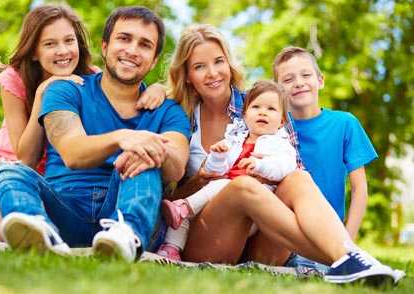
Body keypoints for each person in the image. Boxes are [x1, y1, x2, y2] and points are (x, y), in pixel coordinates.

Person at [166, 23, 403, 284]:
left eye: (219, 61)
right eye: (199, 66)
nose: (213, 73)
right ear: (187, 74)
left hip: (262, 244)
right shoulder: (180, 116)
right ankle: (346, 259)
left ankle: (349, 257)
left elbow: (292, 169)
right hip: (209, 238)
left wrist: (264, 171)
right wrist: (202, 178)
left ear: (229, 64)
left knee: (298, 177)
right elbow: (168, 198)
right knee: (243, 186)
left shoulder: (263, 105)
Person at [0, 6, 190, 262]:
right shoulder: (66, 89)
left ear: (153, 60)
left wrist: (154, 150)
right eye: (124, 38)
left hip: (128, 207)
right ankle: (40, 233)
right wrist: (122, 137)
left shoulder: (169, 110)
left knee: (146, 157)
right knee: (10, 172)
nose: (132, 50)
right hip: (65, 210)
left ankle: (125, 236)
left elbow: (176, 167)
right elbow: (73, 152)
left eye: (144, 44)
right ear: (105, 46)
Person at [157, 80, 297, 261]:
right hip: (222, 198)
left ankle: (184, 206)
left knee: (210, 192)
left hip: (254, 210)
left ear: (282, 121)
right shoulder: (235, 140)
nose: (263, 112)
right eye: (256, 107)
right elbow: (216, 171)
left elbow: (284, 168)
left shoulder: (281, 145)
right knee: (185, 216)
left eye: (271, 109)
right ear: (245, 115)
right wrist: (217, 156)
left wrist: (261, 165)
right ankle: (171, 248)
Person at [272, 46, 377, 241]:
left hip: (329, 234)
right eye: (288, 79)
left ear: (320, 81)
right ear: (277, 90)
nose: (298, 83)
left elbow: (360, 188)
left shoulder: (345, 123)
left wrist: (347, 243)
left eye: (306, 75)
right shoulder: (274, 129)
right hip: (285, 235)